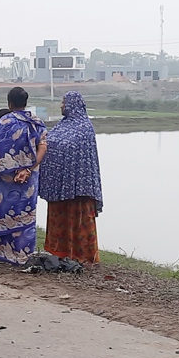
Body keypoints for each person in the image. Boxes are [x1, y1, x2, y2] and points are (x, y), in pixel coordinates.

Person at [0, 87, 47, 266]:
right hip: (29, 178)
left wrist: (15, 168)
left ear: (9, 103)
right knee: (25, 214)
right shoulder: (37, 122)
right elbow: (43, 147)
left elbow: (2, 148)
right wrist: (28, 169)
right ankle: (21, 257)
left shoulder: (5, 121)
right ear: (25, 102)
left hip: (7, 178)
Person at [39, 91, 103, 263]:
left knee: (78, 220)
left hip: (79, 188)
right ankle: (59, 253)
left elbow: (75, 151)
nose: (61, 105)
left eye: (64, 102)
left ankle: (83, 256)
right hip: (59, 186)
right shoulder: (62, 125)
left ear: (73, 104)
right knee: (60, 219)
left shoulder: (85, 127)